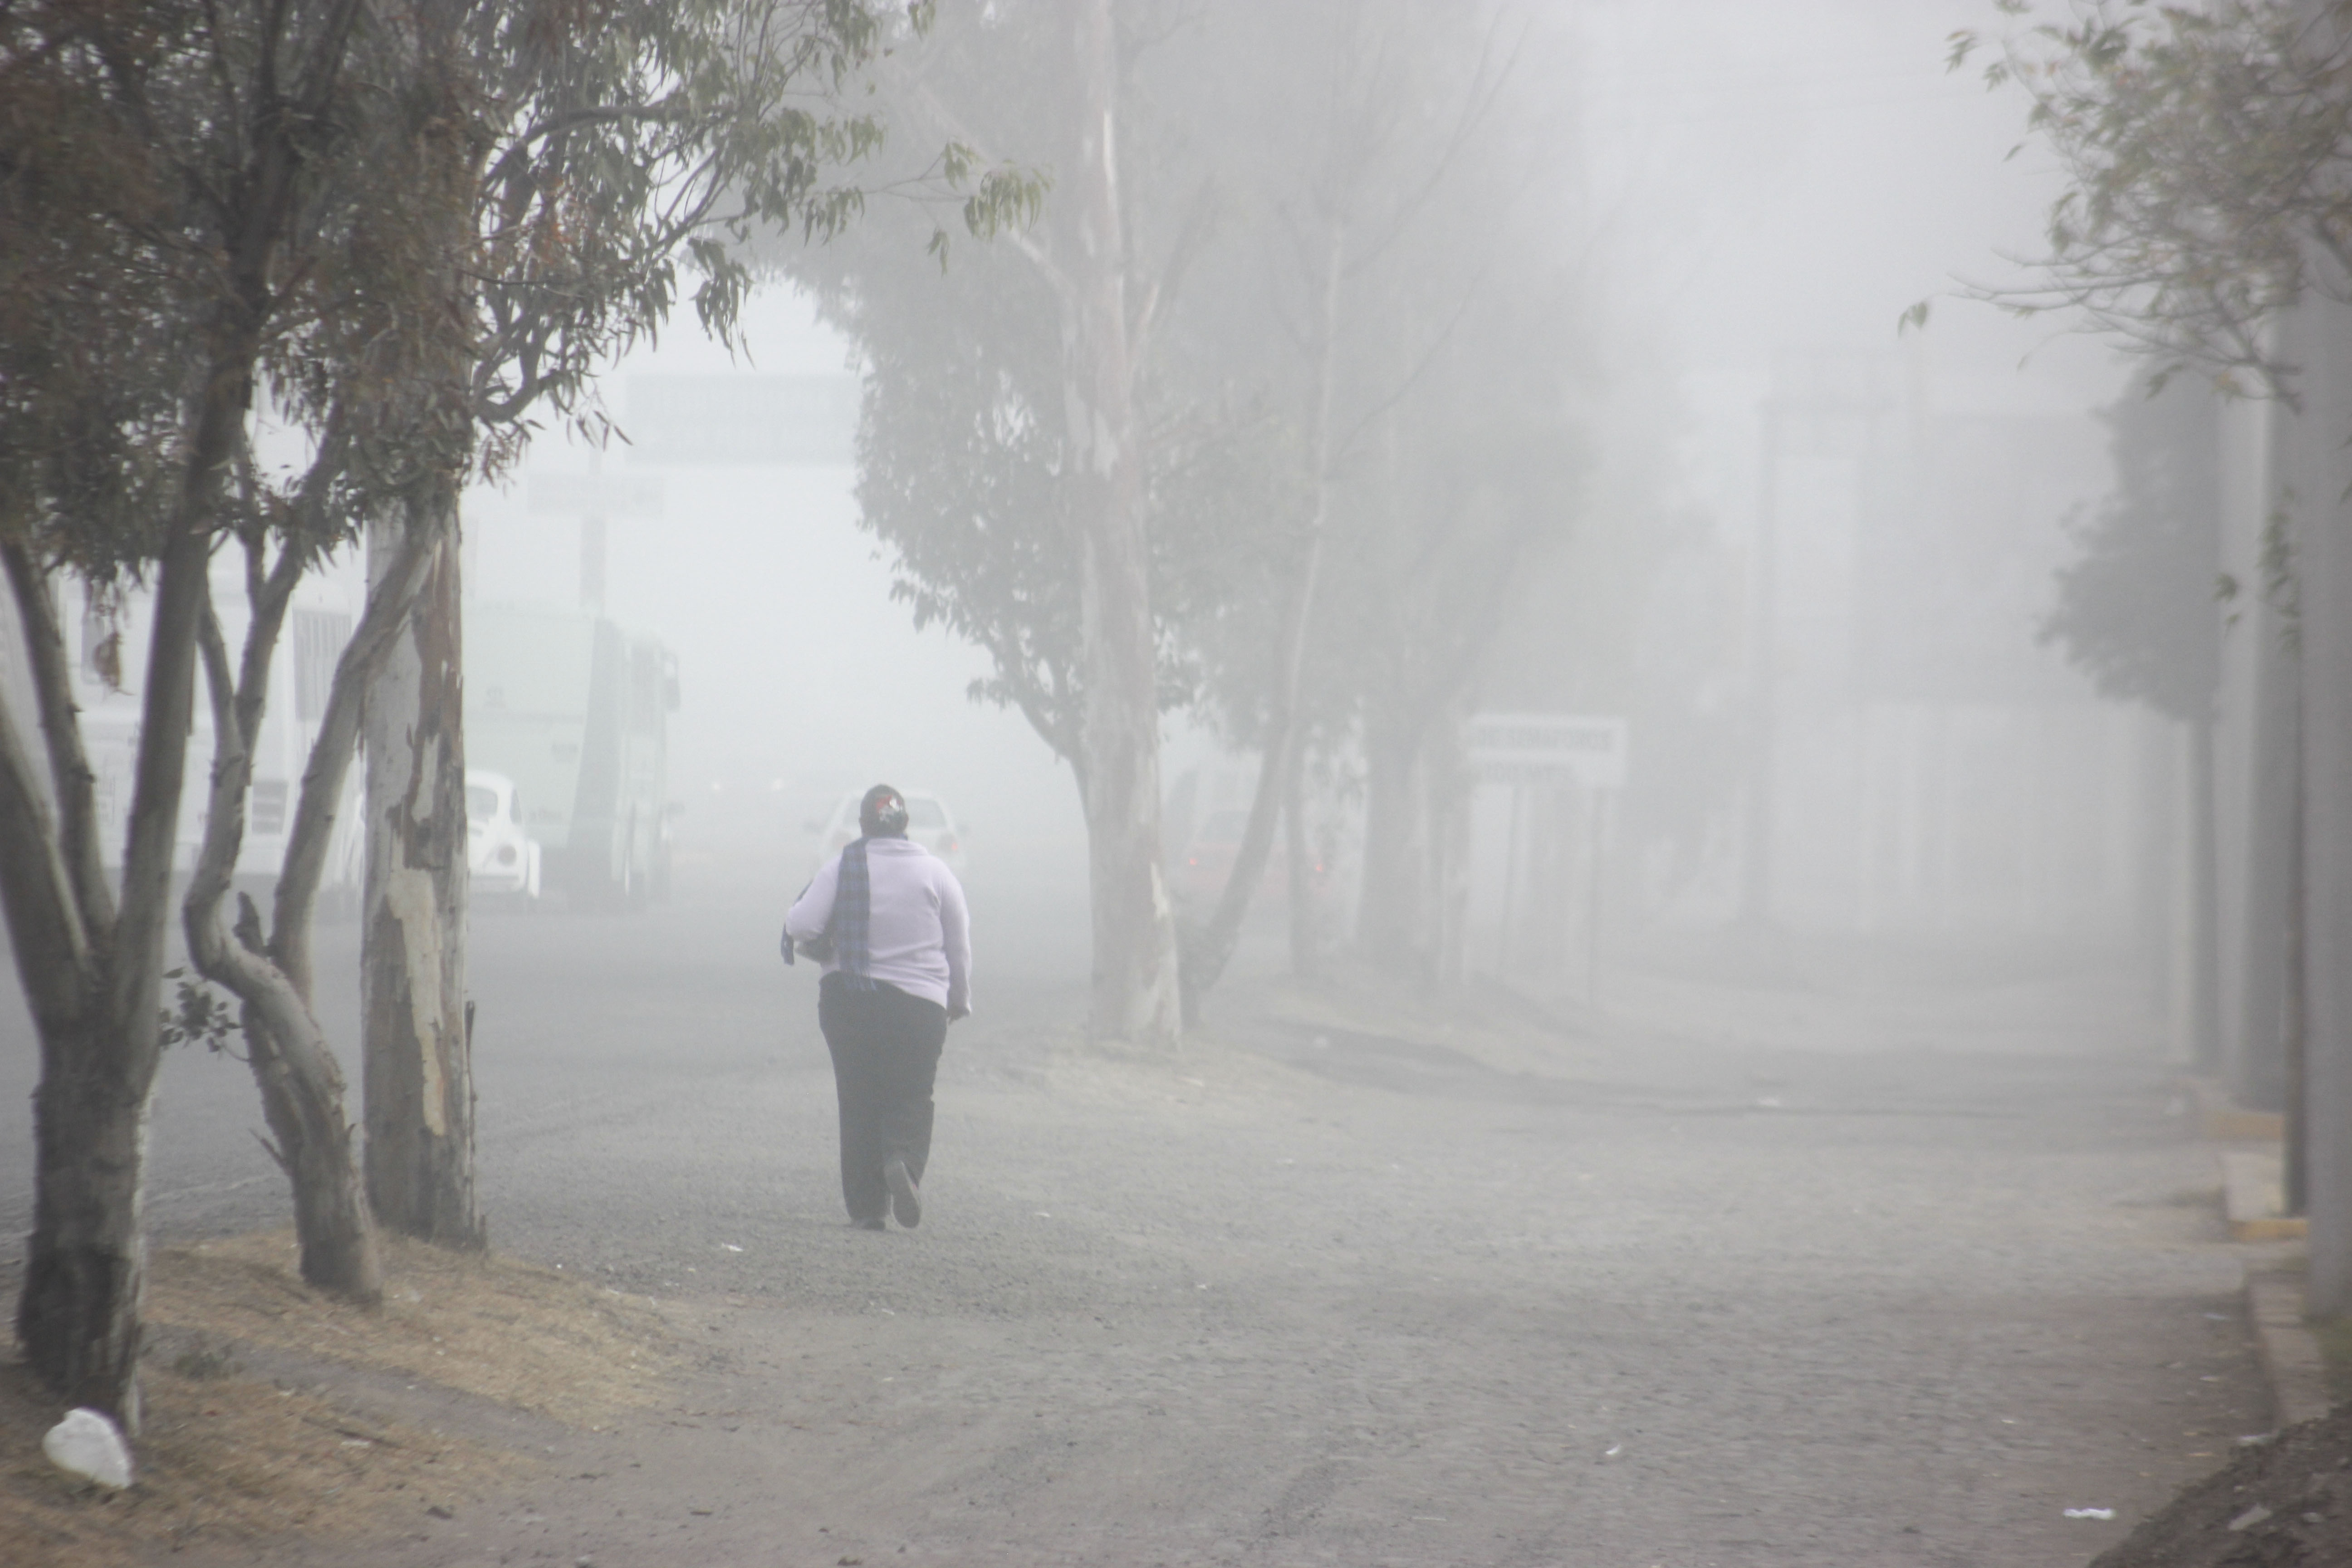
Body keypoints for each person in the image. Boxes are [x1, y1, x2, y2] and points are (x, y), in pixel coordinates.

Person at [785, 784, 971, 1231]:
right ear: (905, 825)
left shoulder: (842, 866)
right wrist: (959, 999)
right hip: (919, 1009)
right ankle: (903, 1164)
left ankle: (868, 1208)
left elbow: (801, 923)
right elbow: (958, 943)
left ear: (863, 825)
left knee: (859, 1098)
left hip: (849, 1004)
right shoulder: (936, 872)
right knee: (911, 1094)